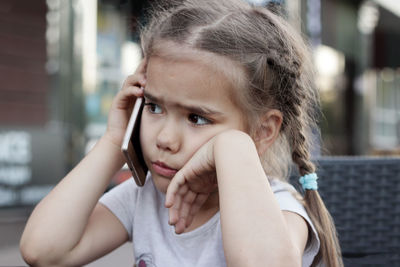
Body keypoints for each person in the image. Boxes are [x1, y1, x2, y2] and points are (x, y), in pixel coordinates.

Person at [20, 0, 343, 266]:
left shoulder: (278, 206)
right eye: (154, 107)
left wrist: (231, 147)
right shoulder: (145, 197)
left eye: (197, 118)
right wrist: (112, 140)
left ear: (263, 131)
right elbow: (44, 251)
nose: (164, 139)